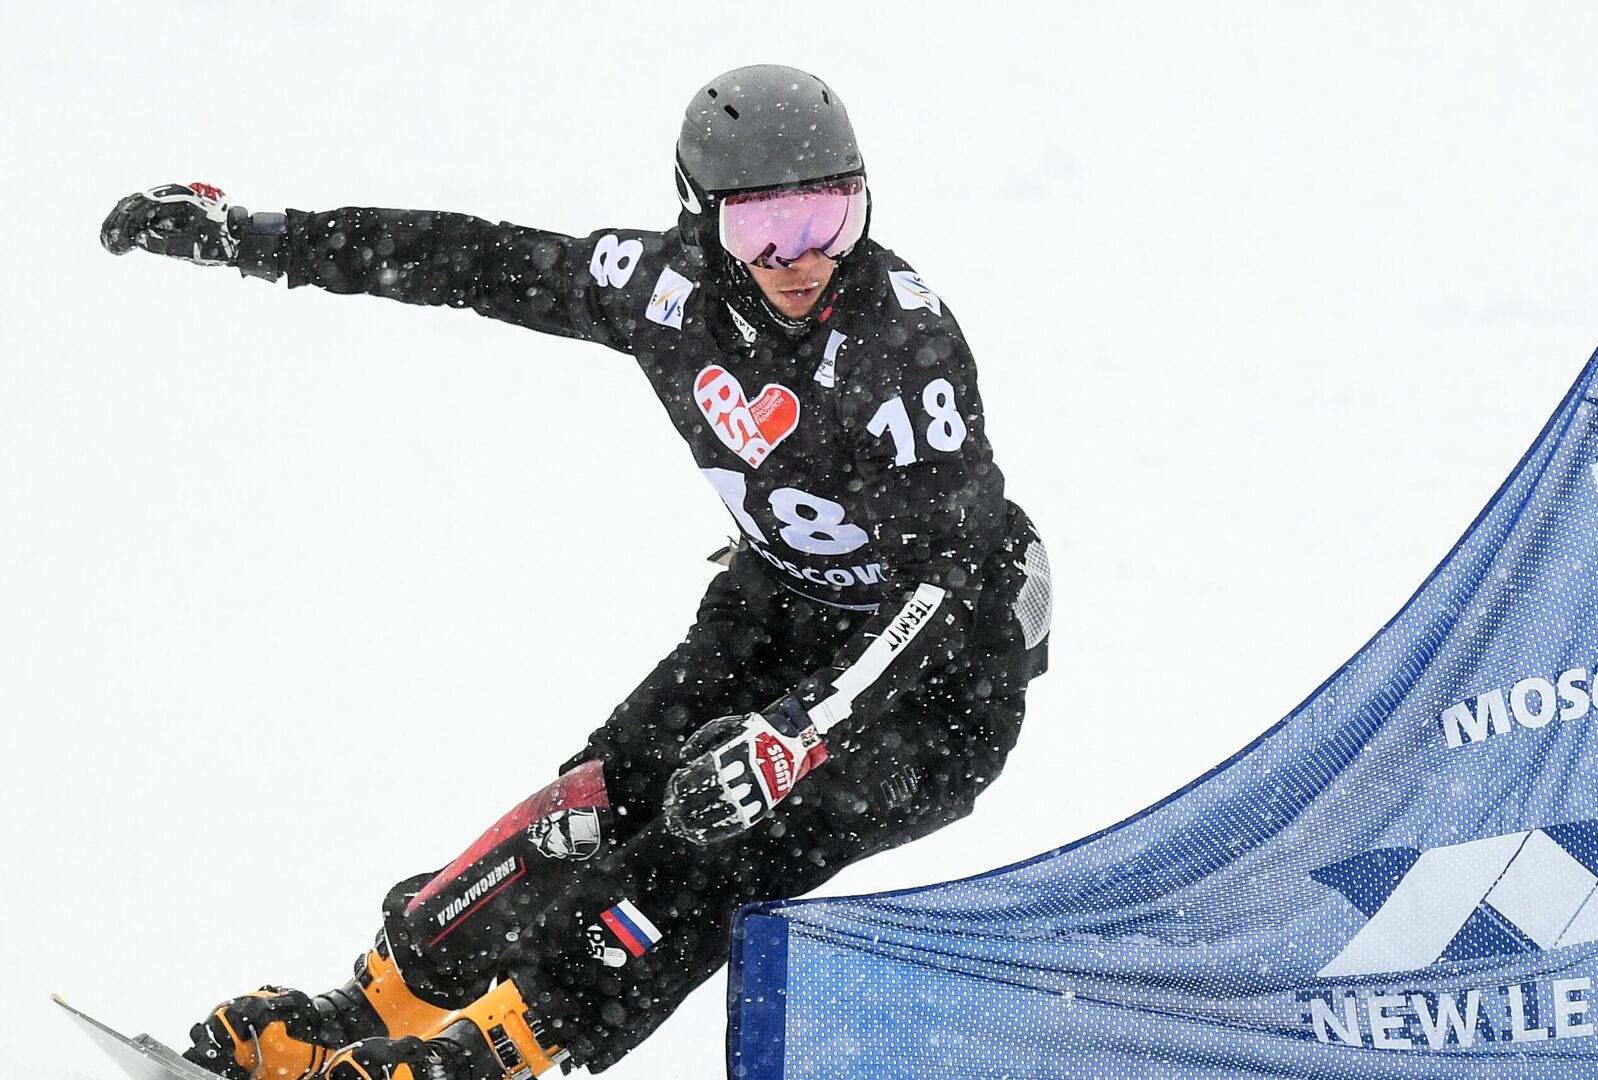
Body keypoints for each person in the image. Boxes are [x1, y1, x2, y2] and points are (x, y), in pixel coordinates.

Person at [100, 64, 1050, 1080]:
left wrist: (798, 736)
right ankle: (374, 1001)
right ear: (702, 223)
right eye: (762, 231)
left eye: (829, 214)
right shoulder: (664, 289)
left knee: (711, 839)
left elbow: (944, 589)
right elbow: (474, 260)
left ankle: (490, 1053)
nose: (802, 258)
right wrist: (260, 238)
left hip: (940, 685)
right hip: (783, 604)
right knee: (596, 802)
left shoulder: (902, 346)